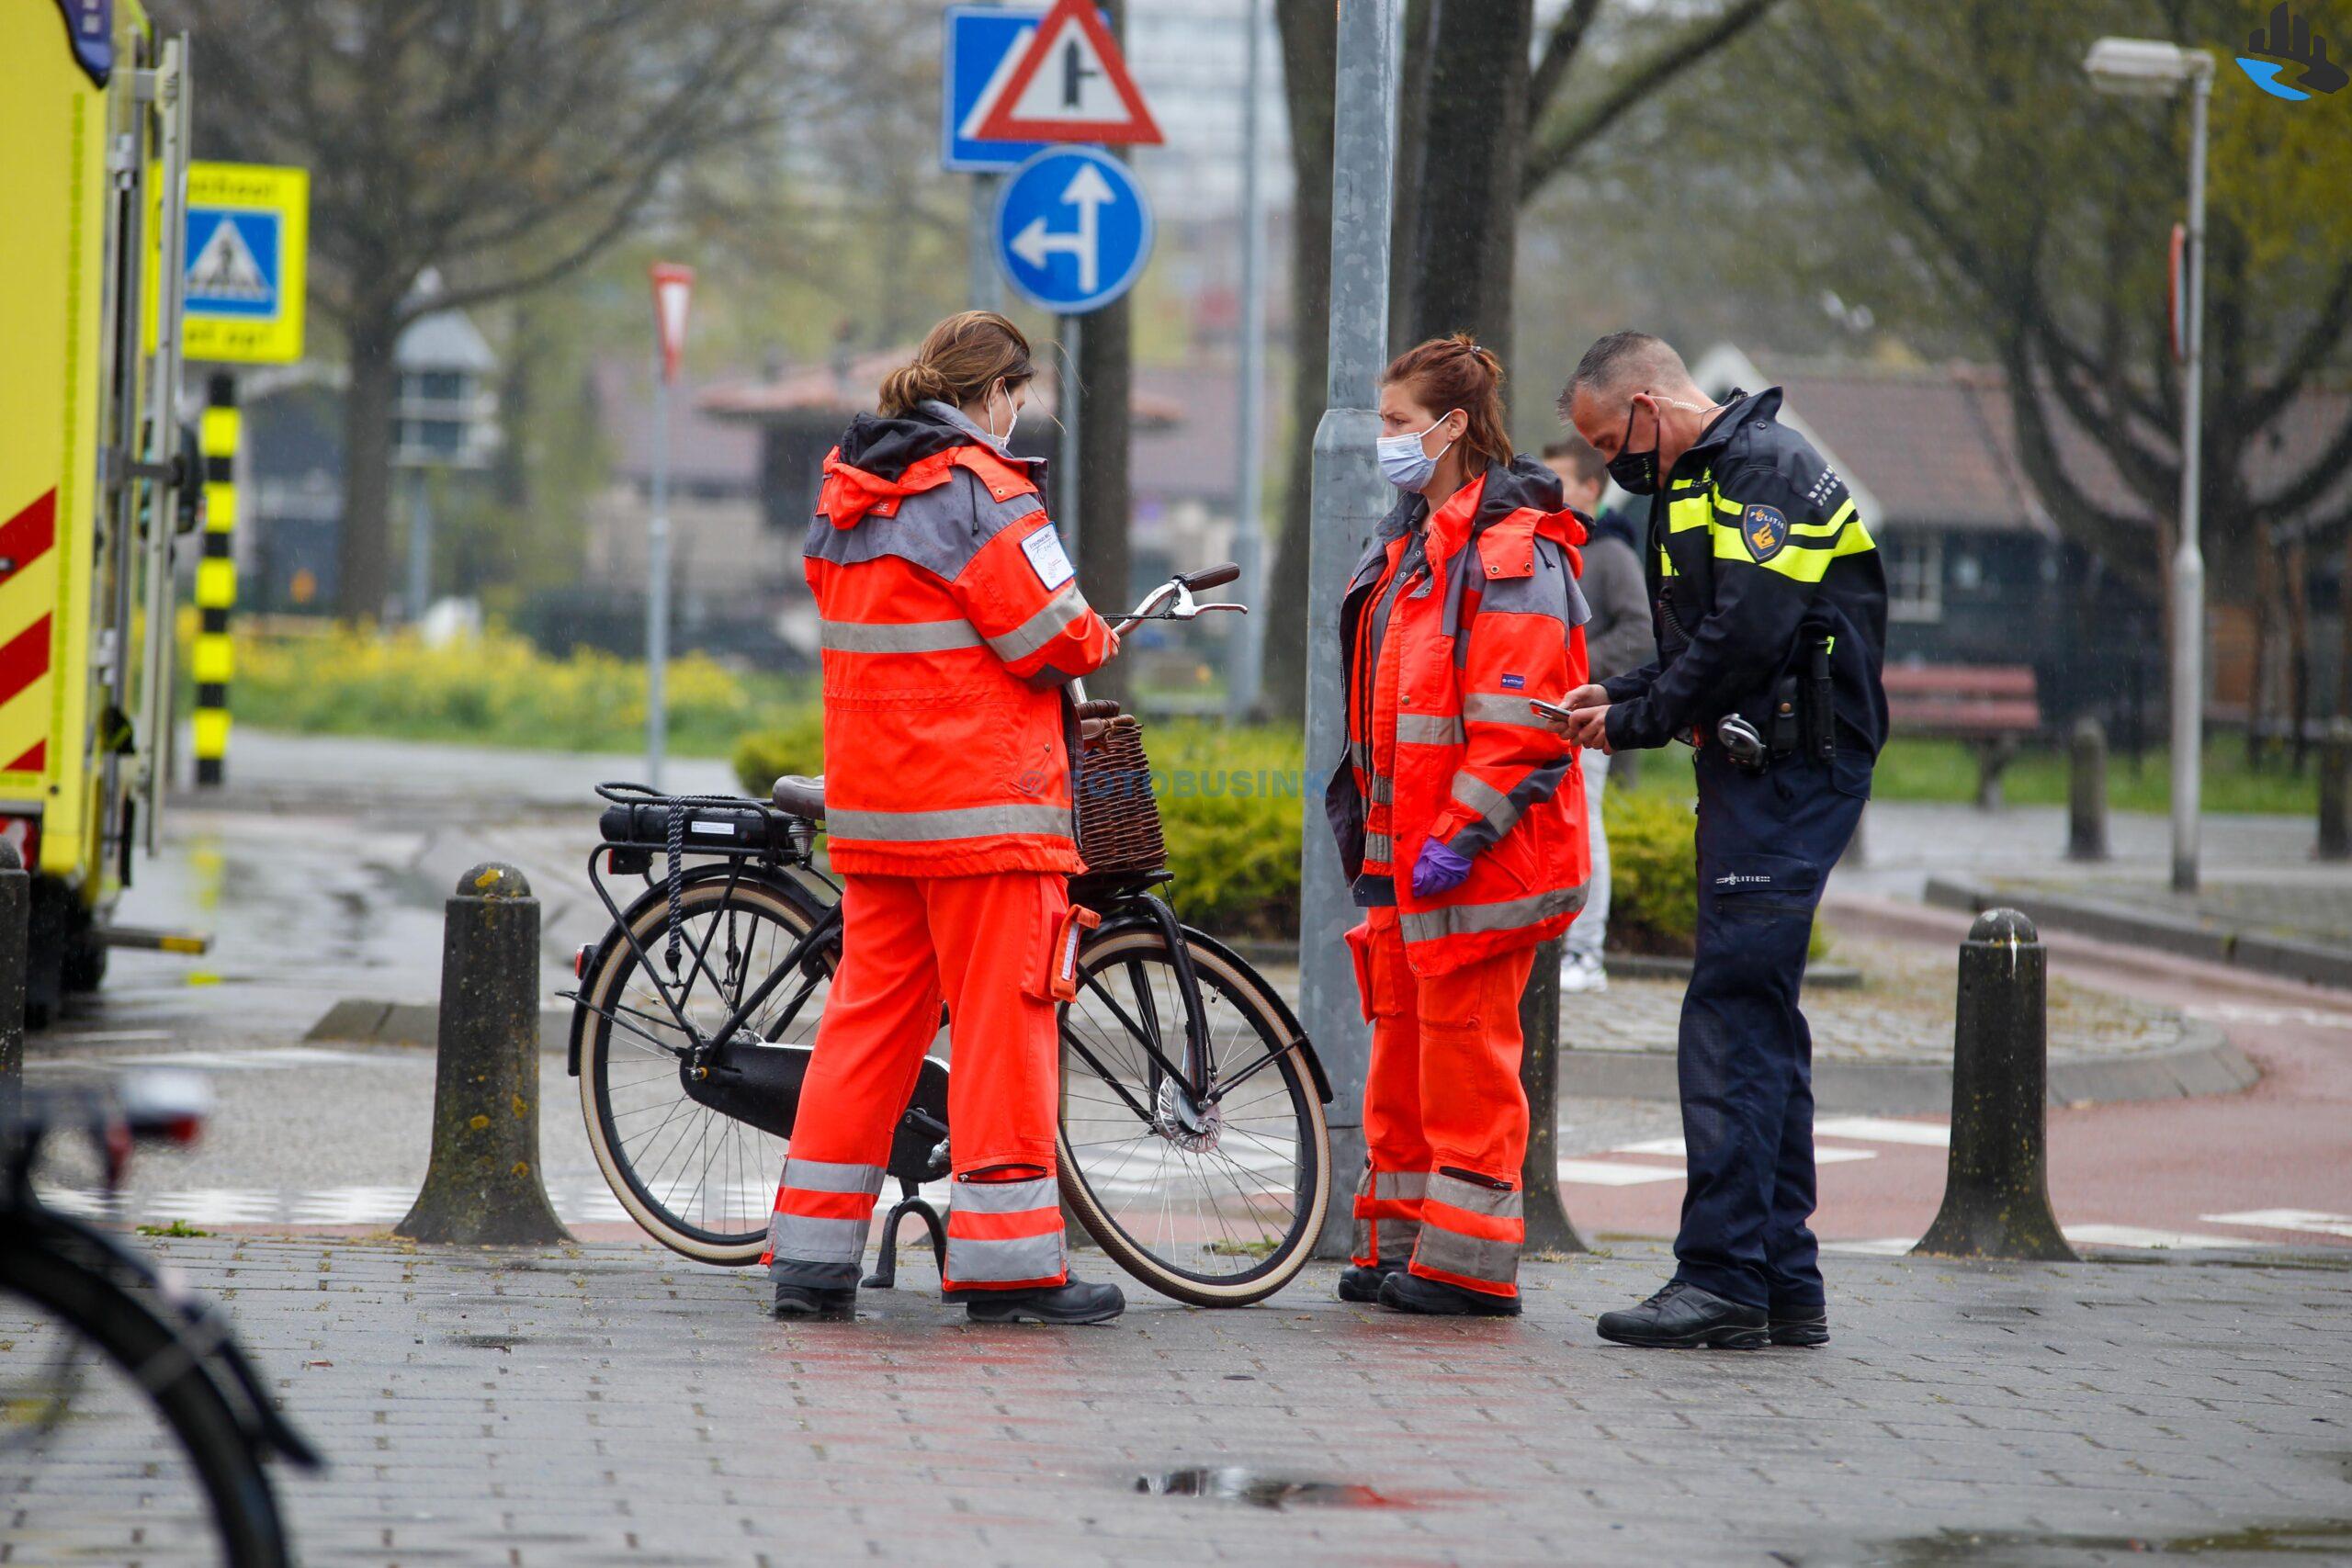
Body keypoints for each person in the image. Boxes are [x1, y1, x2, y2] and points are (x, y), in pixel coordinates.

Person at [762, 310, 1128, 1325]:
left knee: (864, 1033)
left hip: (881, 818)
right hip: (986, 820)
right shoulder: (984, 494)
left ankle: (811, 1263)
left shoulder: (846, 491)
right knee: (1005, 1036)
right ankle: (1011, 1273)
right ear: (997, 394)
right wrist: (1097, 629)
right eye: (1020, 399)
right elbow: (1057, 639)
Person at [1552, 332, 1886, 1350]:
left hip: (1788, 768)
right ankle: (1783, 1282)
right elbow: (1704, 641)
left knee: (1732, 1016)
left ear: (1650, 404)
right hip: (1760, 766)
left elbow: (1749, 633)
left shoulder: (1763, 473)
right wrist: (1625, 694)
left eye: (1612, 442)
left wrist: (1642, 718)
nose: (1614, 469)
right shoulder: (1707, 478)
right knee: (1760, 1016)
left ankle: (1723, 1275)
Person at [1323, 334, 1593, 1318]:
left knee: (1468, 1058)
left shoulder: (1512, 553)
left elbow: (1524, 723)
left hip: (1471, 860)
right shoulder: (1412, 545)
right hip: (1404, 863)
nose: (1384, 442)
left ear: (1452, 429)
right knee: (1404, 1057)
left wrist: (1461, 836)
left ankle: (1468, 1265)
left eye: (1398, 425)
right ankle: (1400, 1243)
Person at [1536, 436, 1650, 995]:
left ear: (1591, 487)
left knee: (1587, 827)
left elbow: (1640, 632)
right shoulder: (1555, 548)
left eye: (1560, 480)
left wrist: (1575, 672)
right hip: (1553, 715)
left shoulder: (1611, 555)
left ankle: (1586, 953)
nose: (1548, 492)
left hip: (1586, 717)